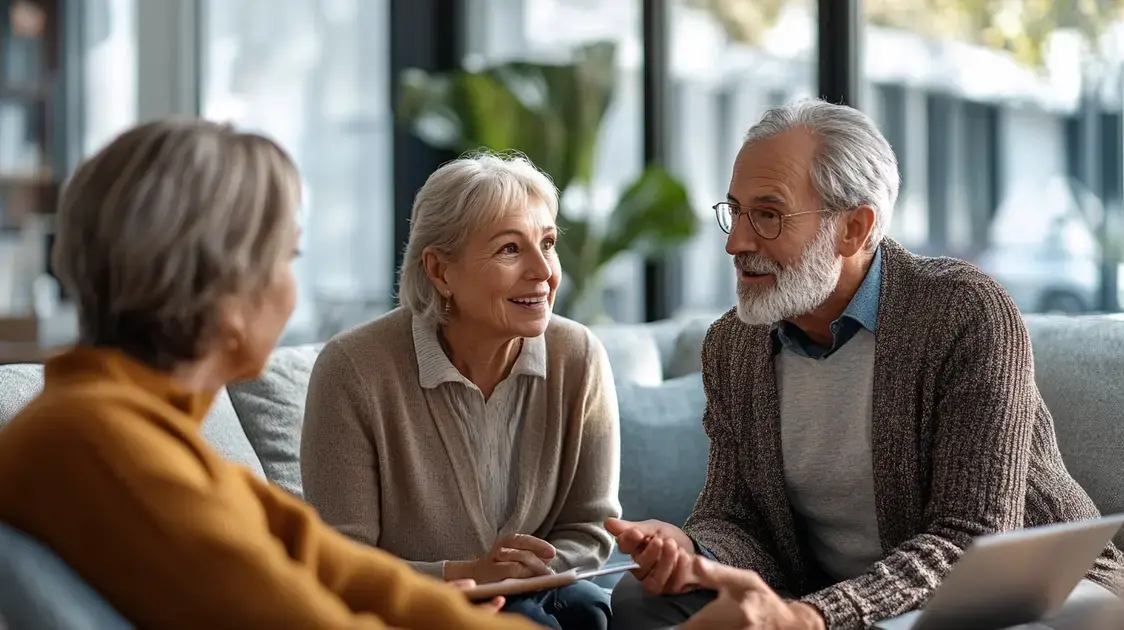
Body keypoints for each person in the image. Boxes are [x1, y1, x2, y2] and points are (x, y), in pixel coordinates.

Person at [606, 99, 1124, 630]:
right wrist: (689, 547)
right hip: (829, 600)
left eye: (767, 215)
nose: (736, 242)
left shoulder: (963, 313)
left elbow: (972, 537)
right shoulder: (733, 345)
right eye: (734, 211)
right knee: (638, 600)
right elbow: (735, 517)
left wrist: (811, 617)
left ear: (854, 227)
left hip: (1024, 587)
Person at [0, 119, 538, 630]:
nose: (291, 288)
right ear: (226, 290)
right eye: (287, 257)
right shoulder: (97, 441)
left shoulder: (140, 430)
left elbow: (348, 571)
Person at [300, 152, 623, 630]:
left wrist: (519, 579)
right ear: (440, 271)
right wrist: (465, 577)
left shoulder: (579, 356)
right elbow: (340, 561)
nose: (544, 271)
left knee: (586, 608)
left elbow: (589, 526)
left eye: (548, 243)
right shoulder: (353, 369)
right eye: (510, 249)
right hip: (409, 615)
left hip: (545, 599)